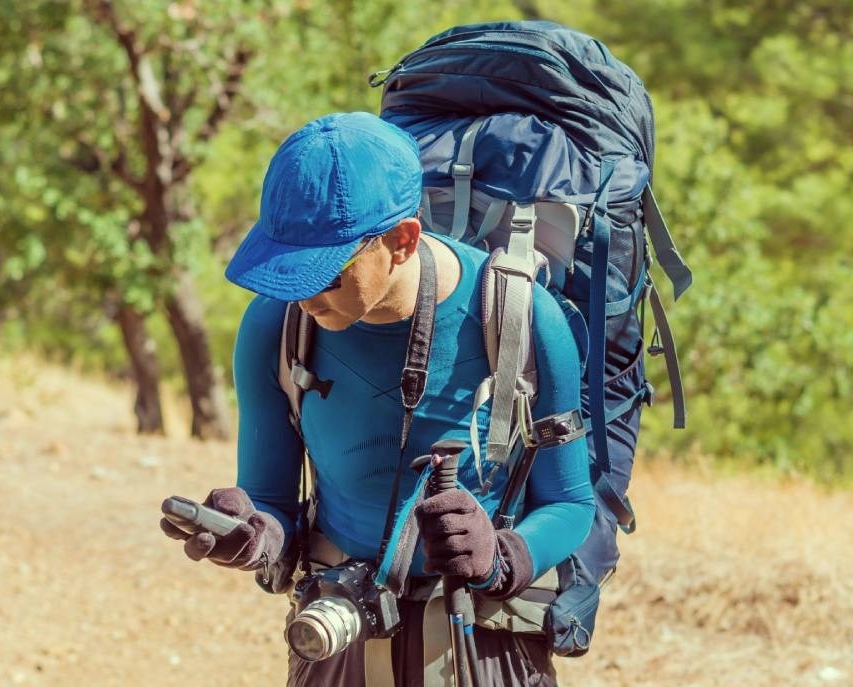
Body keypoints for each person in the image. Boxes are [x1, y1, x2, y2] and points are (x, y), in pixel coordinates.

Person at [159, 112, 595, 686]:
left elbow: (571, 504)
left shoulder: (520, 319)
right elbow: (271, 498)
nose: (305, 296)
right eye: (288, 273)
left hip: (481, 638)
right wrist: (255, 535)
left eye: (326, 274)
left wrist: (502, 555)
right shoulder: (276, 328)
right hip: (338, 628)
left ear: (402, 240)